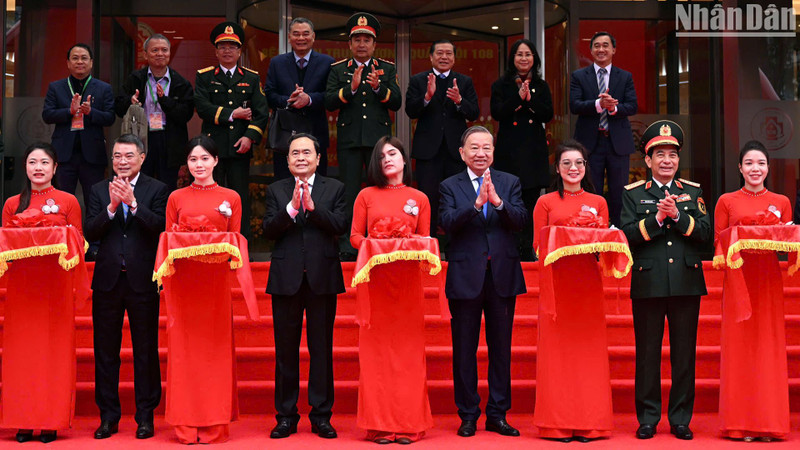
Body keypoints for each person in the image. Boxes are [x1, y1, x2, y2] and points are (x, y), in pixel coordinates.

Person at [620, 120, 710, 441]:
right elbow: (626, 236)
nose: (667, 160)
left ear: (678, 158)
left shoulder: (693, 191)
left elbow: (705, 234)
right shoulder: (633, 194)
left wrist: (678, 216)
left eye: (672, 154)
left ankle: (681, 419)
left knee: (684, 354)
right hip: (649, 281)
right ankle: (648, 418)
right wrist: (657, 219)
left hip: (686, 281)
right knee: (647, 354)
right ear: (648, 160)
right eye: (660, 155)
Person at [162, 135, 253, 444]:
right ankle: (186, 423)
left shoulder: (232, 197)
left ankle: (214, 422)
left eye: (204, 158)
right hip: (184, 282)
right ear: (186, 164)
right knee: (184, 351)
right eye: (193, 159)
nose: (198, 165)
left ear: (215, 161)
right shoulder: (176, 197)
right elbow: (169, 240)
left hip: (215, 281)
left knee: (214, 350)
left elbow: (236, 239)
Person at [439, 126, 527, 438]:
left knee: (501, 348)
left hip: (502, 274)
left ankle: (498, 414)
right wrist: (476, 205)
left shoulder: (509, 182)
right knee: (464, 348)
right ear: (462, 153)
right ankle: (467, 414)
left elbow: (521, 221)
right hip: (466, 275)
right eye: (474, 148)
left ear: (493, 151)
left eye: (486, 147)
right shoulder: (449, 186)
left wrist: (498, 203)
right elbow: (446, 224)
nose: (481, 153)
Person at [263, 133, 347, 439]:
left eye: (306, 152)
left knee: (321, 349)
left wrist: (312, 208)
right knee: (285, 351)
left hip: (322, 277)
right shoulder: (276, 190)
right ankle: (286, 415)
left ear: (318, 158)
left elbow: (340, 225)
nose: (301, 157)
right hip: (286, 279)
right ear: (287, 160)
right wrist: (291, 209)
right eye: (295, 153)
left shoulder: (334, 188)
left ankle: (321, 415)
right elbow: (268, 230)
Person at [85, 134, 168, 440]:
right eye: (117, 156)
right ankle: (108, 416)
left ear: (142, 158)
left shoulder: (157, 189)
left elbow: (160, 228)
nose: (122, 161)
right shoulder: (98, 189)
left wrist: (133, 204)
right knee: (106, 351)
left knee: (145, 350)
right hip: (107, 280)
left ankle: (145, 416)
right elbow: (90, 231)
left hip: (142, 280)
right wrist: (111, 207)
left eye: (129, 156)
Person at [349, 136, 433, 444]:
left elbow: (425, 238)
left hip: (408, 282)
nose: (387, 159)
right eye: (382, 155)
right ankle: (380, 424)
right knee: (377, 355)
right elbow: (355, 237)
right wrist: (377, 244)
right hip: (377, 281)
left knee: (409, 353)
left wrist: (405, 242)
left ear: (404, 159)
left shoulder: (420, 198)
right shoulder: (366, 195)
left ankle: (409, 423)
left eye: (393, 153)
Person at [1, 143, 83, 443]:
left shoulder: (68, 200)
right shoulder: (12, 203)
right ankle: (22, 420)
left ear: (55, 167)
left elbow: (78, 241)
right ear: (25, 167)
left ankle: (50, 420)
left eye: (44, 162)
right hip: (22, 288)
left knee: (53, 353)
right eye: (33, 162)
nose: (38, 168)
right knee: (22, 354)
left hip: (55, 286)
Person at [532, 140, 613, 442]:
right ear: (557, 168)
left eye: (579, 162)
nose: (573, 168)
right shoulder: (545, 202)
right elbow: (538, 245)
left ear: (585, 167)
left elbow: (603, 244)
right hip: (557, 283)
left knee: (588, 354)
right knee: (557, 355)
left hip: (587, 283)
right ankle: (557, 423)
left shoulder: (598, 202)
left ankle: (591, 422)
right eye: (566, 163)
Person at [714, 140, 791, 442]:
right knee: (740, 349)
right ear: (740, 168)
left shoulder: (781, 201)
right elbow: (718, 242)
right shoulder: (726, 201)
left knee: (768, 348)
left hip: (768, 279)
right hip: (738, 278)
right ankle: (740, 423)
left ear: (768, 168)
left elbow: (786, 241)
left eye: (760, 163)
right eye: (749, 163)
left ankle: (769, 423)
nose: (755, 169)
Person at [325, 12, 402, 260]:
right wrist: (351, 88)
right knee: (348, 194)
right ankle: (348, 245)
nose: (361, 44)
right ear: (349, 44)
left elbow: (397, 102)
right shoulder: (338, 69)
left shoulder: (386, 68)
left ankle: (378, 239)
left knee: (379, 191)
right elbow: (328, 101)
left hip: (378, 141)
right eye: (357, 40)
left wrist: (379, 87)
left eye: (366, 40)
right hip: (349, 140)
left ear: (374, 44)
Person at [194, 21, 269, 240]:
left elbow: (261, 113)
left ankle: (241, 243)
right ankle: (211, 241)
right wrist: (232, 113)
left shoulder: (251, 78)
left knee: (239, 197)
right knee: (210, 196)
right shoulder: (205, 76)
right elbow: (202, 107)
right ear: (216, 51)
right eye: (223, 47)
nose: (227, 51)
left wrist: (249, 137)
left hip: (240, 147)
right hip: (212, 149)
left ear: (239, 51)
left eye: (232, 47)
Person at [405, 39, 479, 237]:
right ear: (431, 57)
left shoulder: (464, 81)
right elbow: (410, 111)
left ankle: (456, 245)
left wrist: (459, 101)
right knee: (428, 200)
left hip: (456, 152)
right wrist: (427, 98)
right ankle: (428, 242)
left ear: (454, 58)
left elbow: (474, 112)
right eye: (439, 53)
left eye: (448, 53)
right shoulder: (418, 80)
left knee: (457, 199)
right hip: (428, 152)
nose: (444, 57)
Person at [490, 39, 553, 261]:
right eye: (519, 54)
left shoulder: (541, 85)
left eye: (528, 54)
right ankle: (507, 248)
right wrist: (517, 99)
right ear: (512, 58)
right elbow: (497, 112)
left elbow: (547, 114)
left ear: (534, 58)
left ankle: (527, 250)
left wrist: (530, 100)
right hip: (509, 151)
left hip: (532, 152)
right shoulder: (501, 85)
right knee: (507, 201)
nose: (523, 58)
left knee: (530, 202)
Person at [570, 31, 637, 227]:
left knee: (619, 194)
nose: (601, 49)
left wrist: (613, 108)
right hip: (590, 144)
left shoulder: (624, 76)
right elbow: (574, 105)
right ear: (591, 50)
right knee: (592, 193)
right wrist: (599, 104)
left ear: (613, 50)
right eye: (597, 46)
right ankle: (593, 234)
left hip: (617, 143)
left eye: (605, 45)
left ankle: (618, 234)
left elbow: (632, 106)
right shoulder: (579, 76)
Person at [114, 34, 195, 191]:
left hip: (169, 140)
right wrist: (130, 101)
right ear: (145, 54)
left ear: (169, 53)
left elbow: (186, 114)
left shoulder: (180, 82)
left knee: (168, 187)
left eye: (164, 50)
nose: (160, 54)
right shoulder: (135, 79)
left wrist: (164, 100)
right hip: (142, 138)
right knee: (141, 186)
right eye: (155, 50)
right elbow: (118, 107)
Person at [42, 43, 115, 207]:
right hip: (64, 155)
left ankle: (92, 226)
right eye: (75, 58)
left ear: (91, 62)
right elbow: (47, 115)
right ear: (68, 63)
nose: (80, 62)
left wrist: (91, 112)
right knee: (61, 201)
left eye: (84, 58)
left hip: (93, 155)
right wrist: (69, 111)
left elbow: (110, 117)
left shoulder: (104, 88)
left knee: (95, 202)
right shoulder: (56, 87)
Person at [265, 18, 334, 180]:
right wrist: (288, 100)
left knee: (317, 185)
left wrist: (309, 99)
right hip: (284, 136)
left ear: (313, 36)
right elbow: (269, 94)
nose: (301, 38)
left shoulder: (327, 62)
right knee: (284, 184)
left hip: (316, 133)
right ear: (289, 37)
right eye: (296, 34)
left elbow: (331, 96)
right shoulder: (277, 62)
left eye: (305, 34)